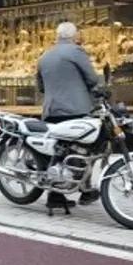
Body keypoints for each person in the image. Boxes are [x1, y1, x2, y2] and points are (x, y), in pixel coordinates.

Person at [35, 22, 103, 210]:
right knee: (87, 148)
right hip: (76, 109)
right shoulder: (76, 51)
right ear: (73, 36)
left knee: (57, 152)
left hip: (51, 110)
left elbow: (40, 86)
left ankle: (55, 196)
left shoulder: (45, 55)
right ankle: (86, 190)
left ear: (57, 36)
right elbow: (92, 79)